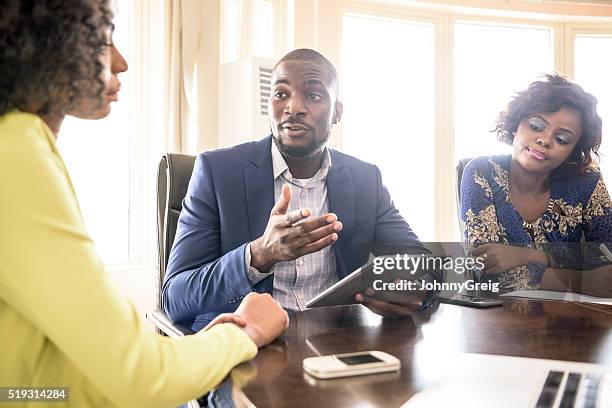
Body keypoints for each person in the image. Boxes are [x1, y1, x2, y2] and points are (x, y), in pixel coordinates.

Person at [0, 1, 288, 407]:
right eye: (102, 42)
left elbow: (37, 385)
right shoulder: (16, 153)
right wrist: (245, 332)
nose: (121, 63)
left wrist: (196, 351)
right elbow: (142, 377)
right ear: (46, 47)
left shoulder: (21, 143)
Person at [163, 48, 439, 332]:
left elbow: (423, 263)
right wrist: (258, 254)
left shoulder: (364, 179)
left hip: (339, 343)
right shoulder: (218, 172)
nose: (293, 107)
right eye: (281, 94)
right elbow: (176, 296)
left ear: (337, 112)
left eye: (313, 95)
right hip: (248, 347)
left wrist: (415, 289)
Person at [460, 74, 612, 293]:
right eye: (536, 126)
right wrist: (582, 281)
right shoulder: (481, 172)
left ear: (572, 152)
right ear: (516, 124)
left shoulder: (586, 181)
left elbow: (607, 260)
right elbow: (488, 272)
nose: (545, 140)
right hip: (498, 319)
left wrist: (532, 256)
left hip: (575, 319)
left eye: (562, 139)